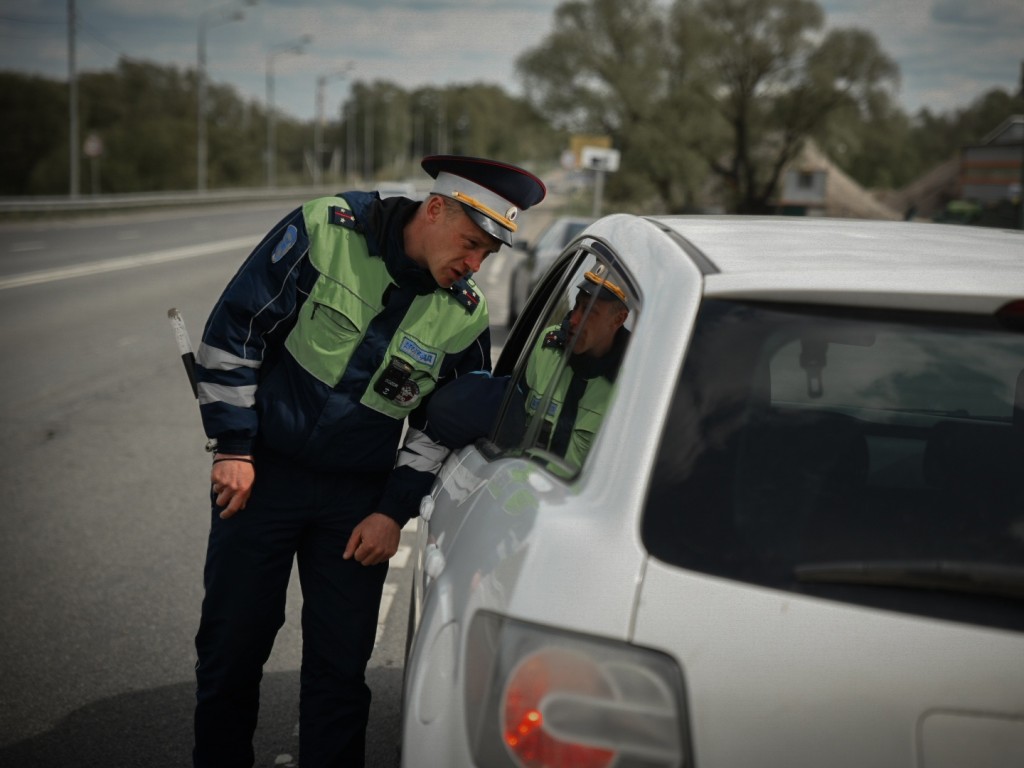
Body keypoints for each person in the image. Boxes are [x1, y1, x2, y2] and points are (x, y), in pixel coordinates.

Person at [190, 155, 546, 768]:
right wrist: (235, 447)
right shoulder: (324, 230)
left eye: (487, 256)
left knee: (339, 671)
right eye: (469, 244)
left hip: (356, 506)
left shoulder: (463, 314)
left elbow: (441, 428)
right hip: (261, 479)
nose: (474, 265)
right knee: (231, 653)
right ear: (435, 209)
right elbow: (235, 332)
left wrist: (391, 512)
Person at [428, 264, 630, 470]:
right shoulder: (547, 347)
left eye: (589, 312)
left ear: (618, 319)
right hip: (516, 485)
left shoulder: (631, 385)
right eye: (577, 305)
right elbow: (509, 409)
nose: (575, 319)